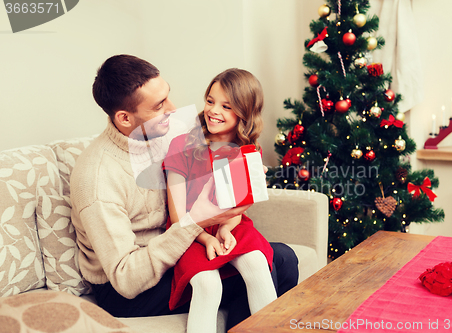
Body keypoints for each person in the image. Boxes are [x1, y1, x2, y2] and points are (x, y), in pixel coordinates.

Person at [70, 54, 298, 328]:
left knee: (280, 258)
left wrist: (245, 176)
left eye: (167, 96)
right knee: (273, 265)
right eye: (159, 105)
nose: (173, 108)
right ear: (124, 118)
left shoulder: (168, 130)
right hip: (132, 283)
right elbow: (127, 279)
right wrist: (198, 223)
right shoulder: (97, 178)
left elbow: (216, 161)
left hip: (180, 244)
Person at [163, 68, 276, 333]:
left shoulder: (247, 149)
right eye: (210, 101)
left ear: (244, 113)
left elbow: (235, 207)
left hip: (229, 225)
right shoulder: (182, 145)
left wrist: (225, 229)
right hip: (189, 231)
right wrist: (207, 238)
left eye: (226, 106)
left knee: (258, 264)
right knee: (207, 284)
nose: (214, 110)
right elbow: (178, 216)